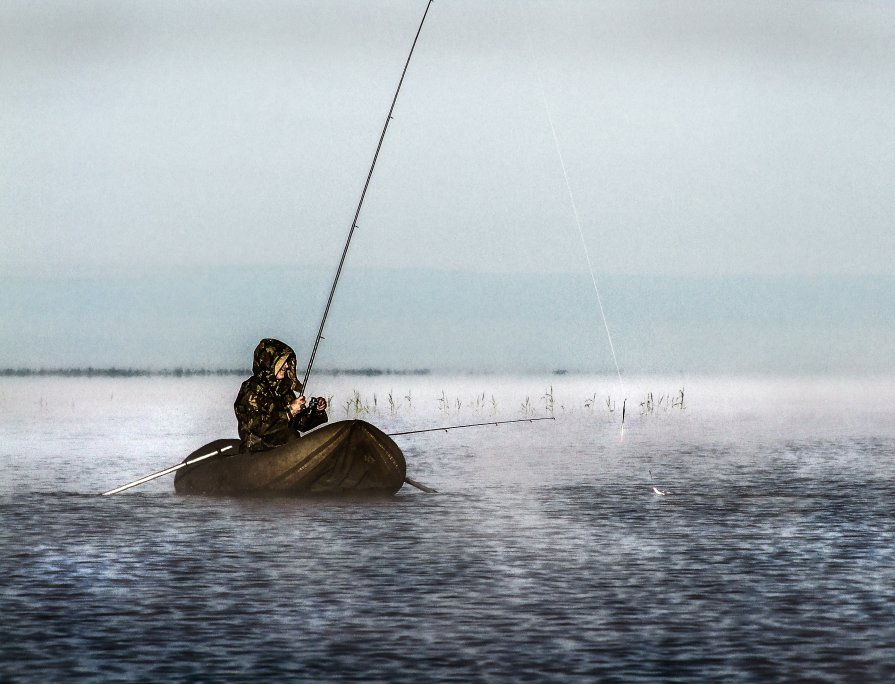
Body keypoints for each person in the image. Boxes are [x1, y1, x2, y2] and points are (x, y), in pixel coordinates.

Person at [234, 338, 328, 453]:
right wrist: (289, 412)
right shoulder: (251, 389)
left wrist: (316, 411)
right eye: (282, 362)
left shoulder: (283, 389)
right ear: (268, 362)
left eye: (288, 362)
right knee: (290, 435)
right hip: (256, 449)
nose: (287, 366)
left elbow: (300, 424)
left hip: (284, 448)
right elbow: (257, 426)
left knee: (294, 436)